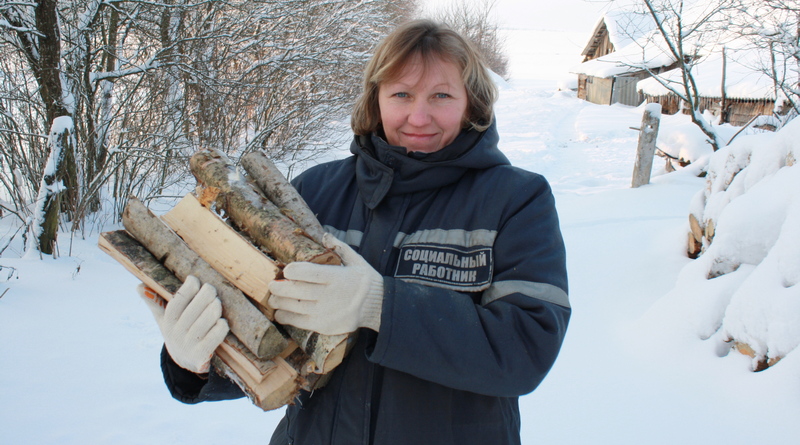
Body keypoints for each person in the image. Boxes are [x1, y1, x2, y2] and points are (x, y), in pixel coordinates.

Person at [139, 19, 570, 445]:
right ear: (376, 99)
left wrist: (379, 306)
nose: (418, 116)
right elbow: (274, 347)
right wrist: (195, 362)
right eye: (401, 94)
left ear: (471, 103)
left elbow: (524, 350)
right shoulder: (311, 193)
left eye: (441, 95)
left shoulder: (515, 200)